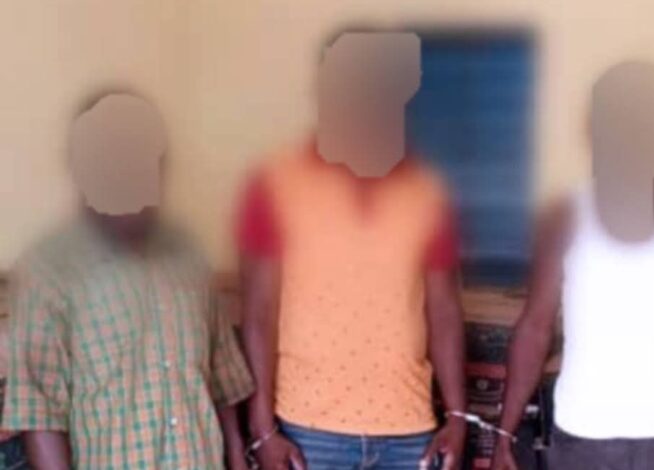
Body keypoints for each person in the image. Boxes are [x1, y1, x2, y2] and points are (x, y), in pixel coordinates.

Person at [238, 32, 467, 469]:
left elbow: (443, 309)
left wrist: (456, 416)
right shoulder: (276, 183)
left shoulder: (428, 191)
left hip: (409, 431)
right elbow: (259, 311)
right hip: (306, 431)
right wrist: (262, 427)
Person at [490, 63, 654, 470]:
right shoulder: (564, 217)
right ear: (594, 130)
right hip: (580, 440)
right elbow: (534, 329)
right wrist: (504, 435)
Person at [2, 94, 254, 469]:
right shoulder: (49, 270)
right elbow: (41, 414)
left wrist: (236, 456)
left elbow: (222, 380)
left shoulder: (189, 256)